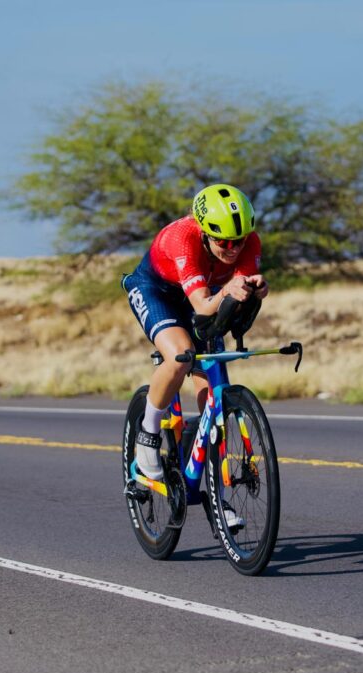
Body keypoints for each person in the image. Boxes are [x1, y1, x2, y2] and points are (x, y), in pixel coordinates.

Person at [122, 184, 269, 522]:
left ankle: (217, 497)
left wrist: (255, 290)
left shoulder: (250, 243)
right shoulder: (182, 238)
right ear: (204, 231)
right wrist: (229, 289)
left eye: (239, 241)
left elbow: (233, 297)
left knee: (212, 394)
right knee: (181, 354)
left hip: (204, 295)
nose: (233, 249)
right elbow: (203, 306)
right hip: (157, 292)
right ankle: (148, 434)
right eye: (223, 242)